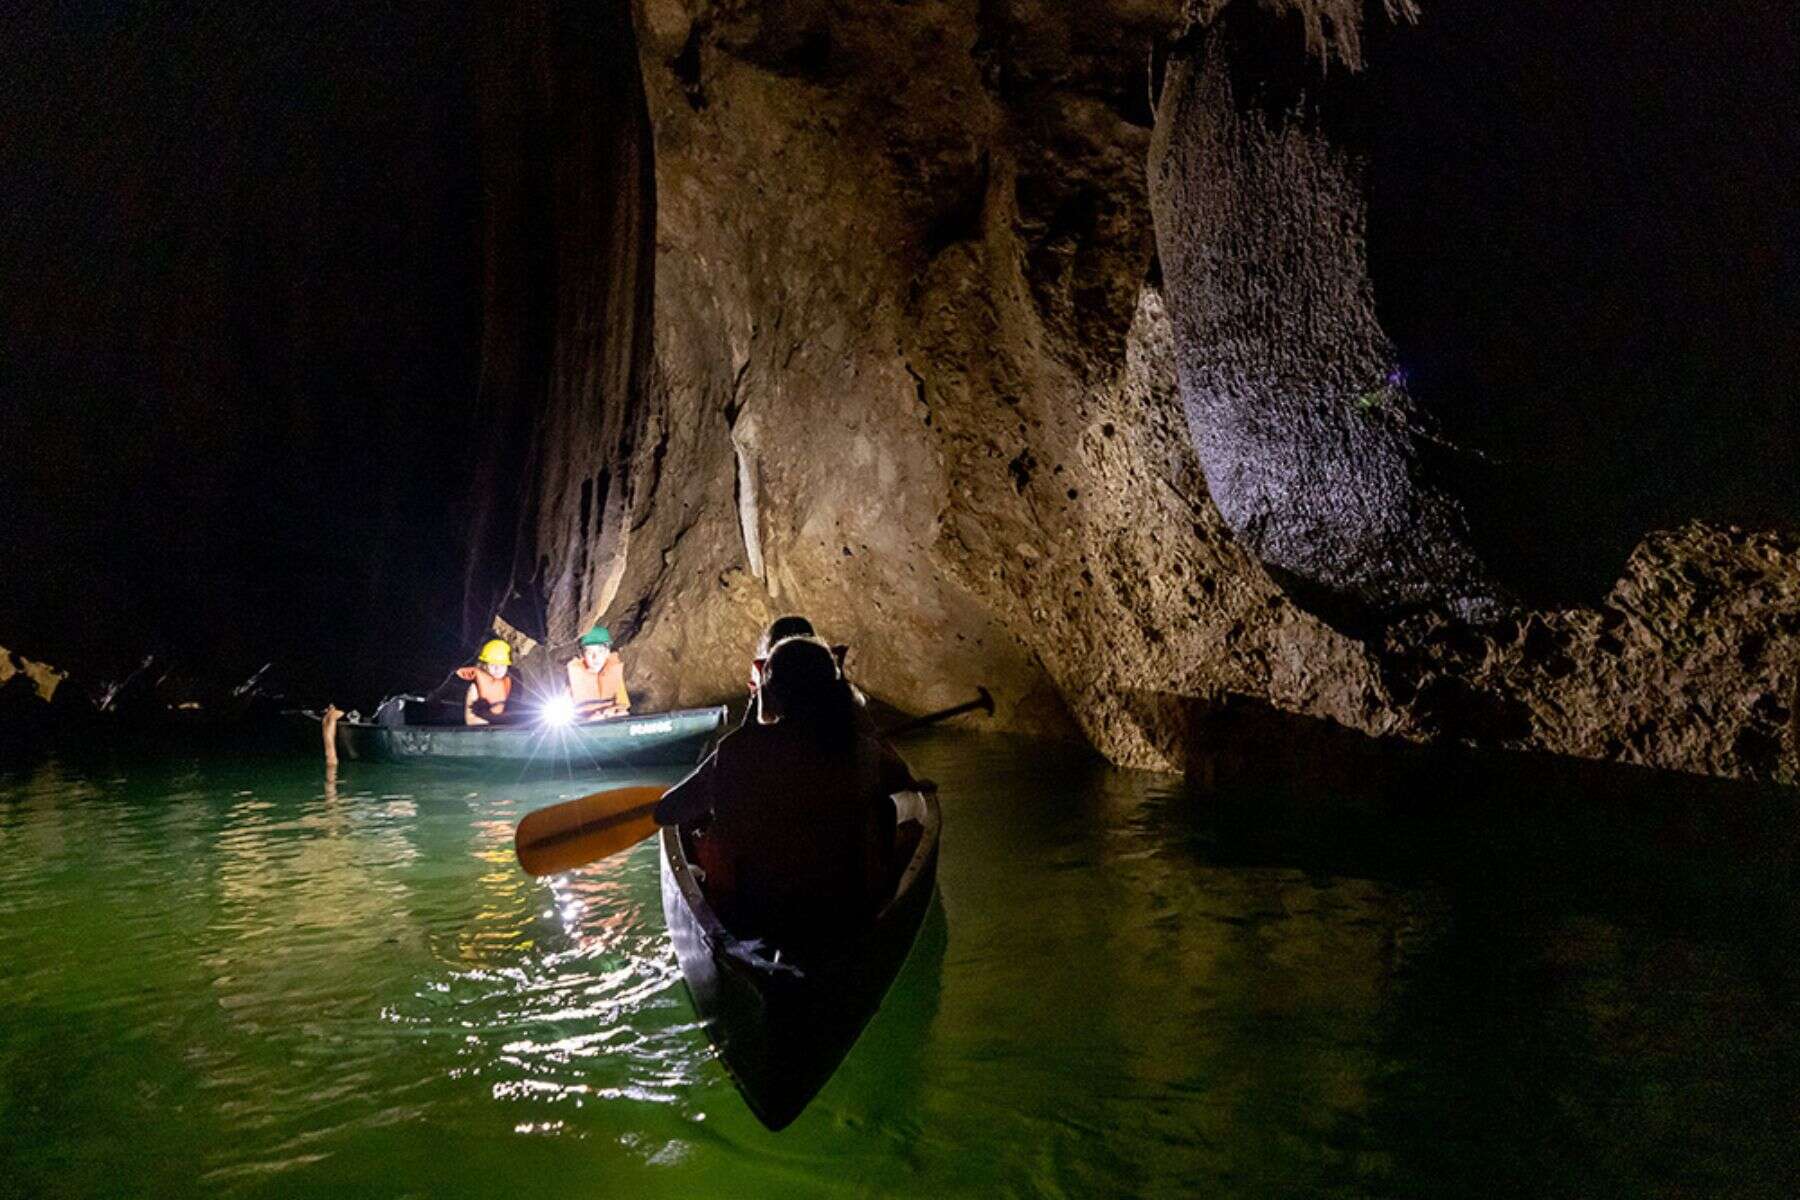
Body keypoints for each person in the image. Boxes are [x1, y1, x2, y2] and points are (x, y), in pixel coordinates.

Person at [655, 636, 924, 953]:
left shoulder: (736, 751)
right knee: (887, 812)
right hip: (847, 908)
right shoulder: (860, 747)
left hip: (755, 915)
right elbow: (902, 781)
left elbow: (667, 812)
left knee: (708, 833)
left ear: (771, 691)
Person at [566, 625, 630, 721]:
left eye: (600, 651)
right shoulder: (572, 678)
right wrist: (588, 719)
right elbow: (565, 716)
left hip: (609, 721)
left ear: (607, 652)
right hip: (585, 726)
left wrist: (609, 712)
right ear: (582, 654)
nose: (595, 657)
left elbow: (623, 706)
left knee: (622, 714)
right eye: (589, 652)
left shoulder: (614, 674)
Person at [455, 639, 514, 725]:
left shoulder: (511, 684)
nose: (497, 669)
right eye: (492, 665)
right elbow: (470, 720)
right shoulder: (475, 688)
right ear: (484, 665)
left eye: (502, 665)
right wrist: (496, 724)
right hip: (486, 733)